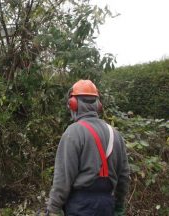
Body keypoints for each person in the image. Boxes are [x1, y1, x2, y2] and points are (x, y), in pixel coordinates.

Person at [44, 80, 130, 216]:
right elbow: (124, 175)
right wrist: (119, 205)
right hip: (107, 205)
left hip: (80, 206)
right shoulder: (115, 133)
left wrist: (53, 208)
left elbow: (63, 177)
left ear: (73, 104)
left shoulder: (73, 132)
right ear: (98, 105)